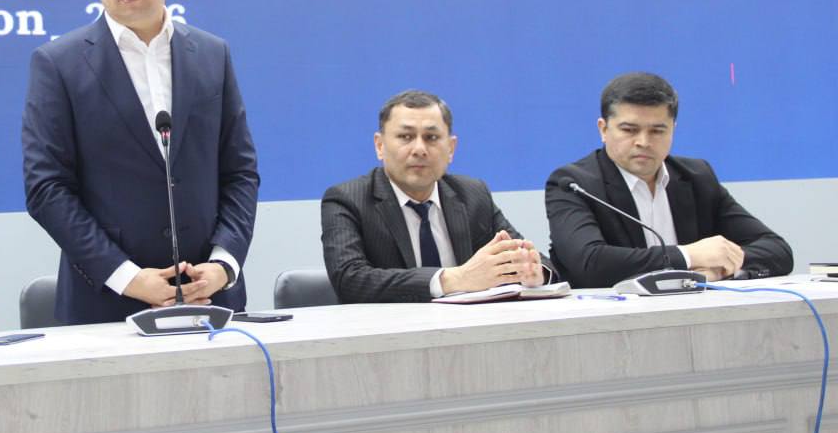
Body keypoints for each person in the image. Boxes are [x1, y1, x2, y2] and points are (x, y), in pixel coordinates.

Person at [22, 0, 259, 324]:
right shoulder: (58, 64)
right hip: (107, 307)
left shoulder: (212, 54)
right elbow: (47, 188)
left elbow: (240, 172)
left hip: (211, 299)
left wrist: (223, 264)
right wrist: (127, 277)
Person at [545, 72, 792, 287]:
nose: (643, 141)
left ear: (673, 128)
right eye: (629, 130)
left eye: (657, 131)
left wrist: (720, 268)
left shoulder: (696, 177)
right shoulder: (573, 184)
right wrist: (689, 257)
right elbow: (590, 263)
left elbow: (777, 250)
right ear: (603, 129)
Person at [322, 90, 552, 303]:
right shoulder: (347, 199)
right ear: (379, 145)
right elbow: (349, 279)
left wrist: (532, 274)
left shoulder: (472, 194)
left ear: (451, 148)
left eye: (431, 137)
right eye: (405, 136)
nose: (419, 149)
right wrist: (453, 279)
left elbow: (538, 262)